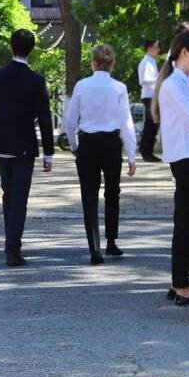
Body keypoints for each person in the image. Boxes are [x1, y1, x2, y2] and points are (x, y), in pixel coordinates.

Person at [0, 29, 55, 267]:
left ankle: (11, 242)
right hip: (24, 146)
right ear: (32, 50)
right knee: (20, 197)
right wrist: (48, 152)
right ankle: (12, 248)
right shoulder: (36, 80)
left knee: (8, 193)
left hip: (0, 144)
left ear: (11, 46)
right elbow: (45, 118)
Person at [64, 44, 138, 264]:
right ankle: (111, 241)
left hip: (87, 142)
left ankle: (94, 248)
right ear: (111, 63)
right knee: (112, 192)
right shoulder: (119, 87)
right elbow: (126, 122)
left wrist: (73, 144)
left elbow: (70, 120)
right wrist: (132, 155)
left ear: (93, 62)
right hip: (111, 143)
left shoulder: (82, 86)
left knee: (89, 194)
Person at [152, 32, 189, 303]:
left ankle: (183, 282)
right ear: (184, 52)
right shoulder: (174, 85)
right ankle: (181, 284)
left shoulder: (186, 81)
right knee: (186, 222)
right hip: (186, 158)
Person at [137, 39, 161, 162]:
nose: (158, 50)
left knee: (153, 124)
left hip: (154, 95)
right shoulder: (145, 62)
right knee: (151, 124)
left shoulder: (151, 61)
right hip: (149, 96)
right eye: (156, 48)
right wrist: (158, 81)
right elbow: (143, 80)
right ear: (149, 48)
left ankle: (146, 150)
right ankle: (146, 151)